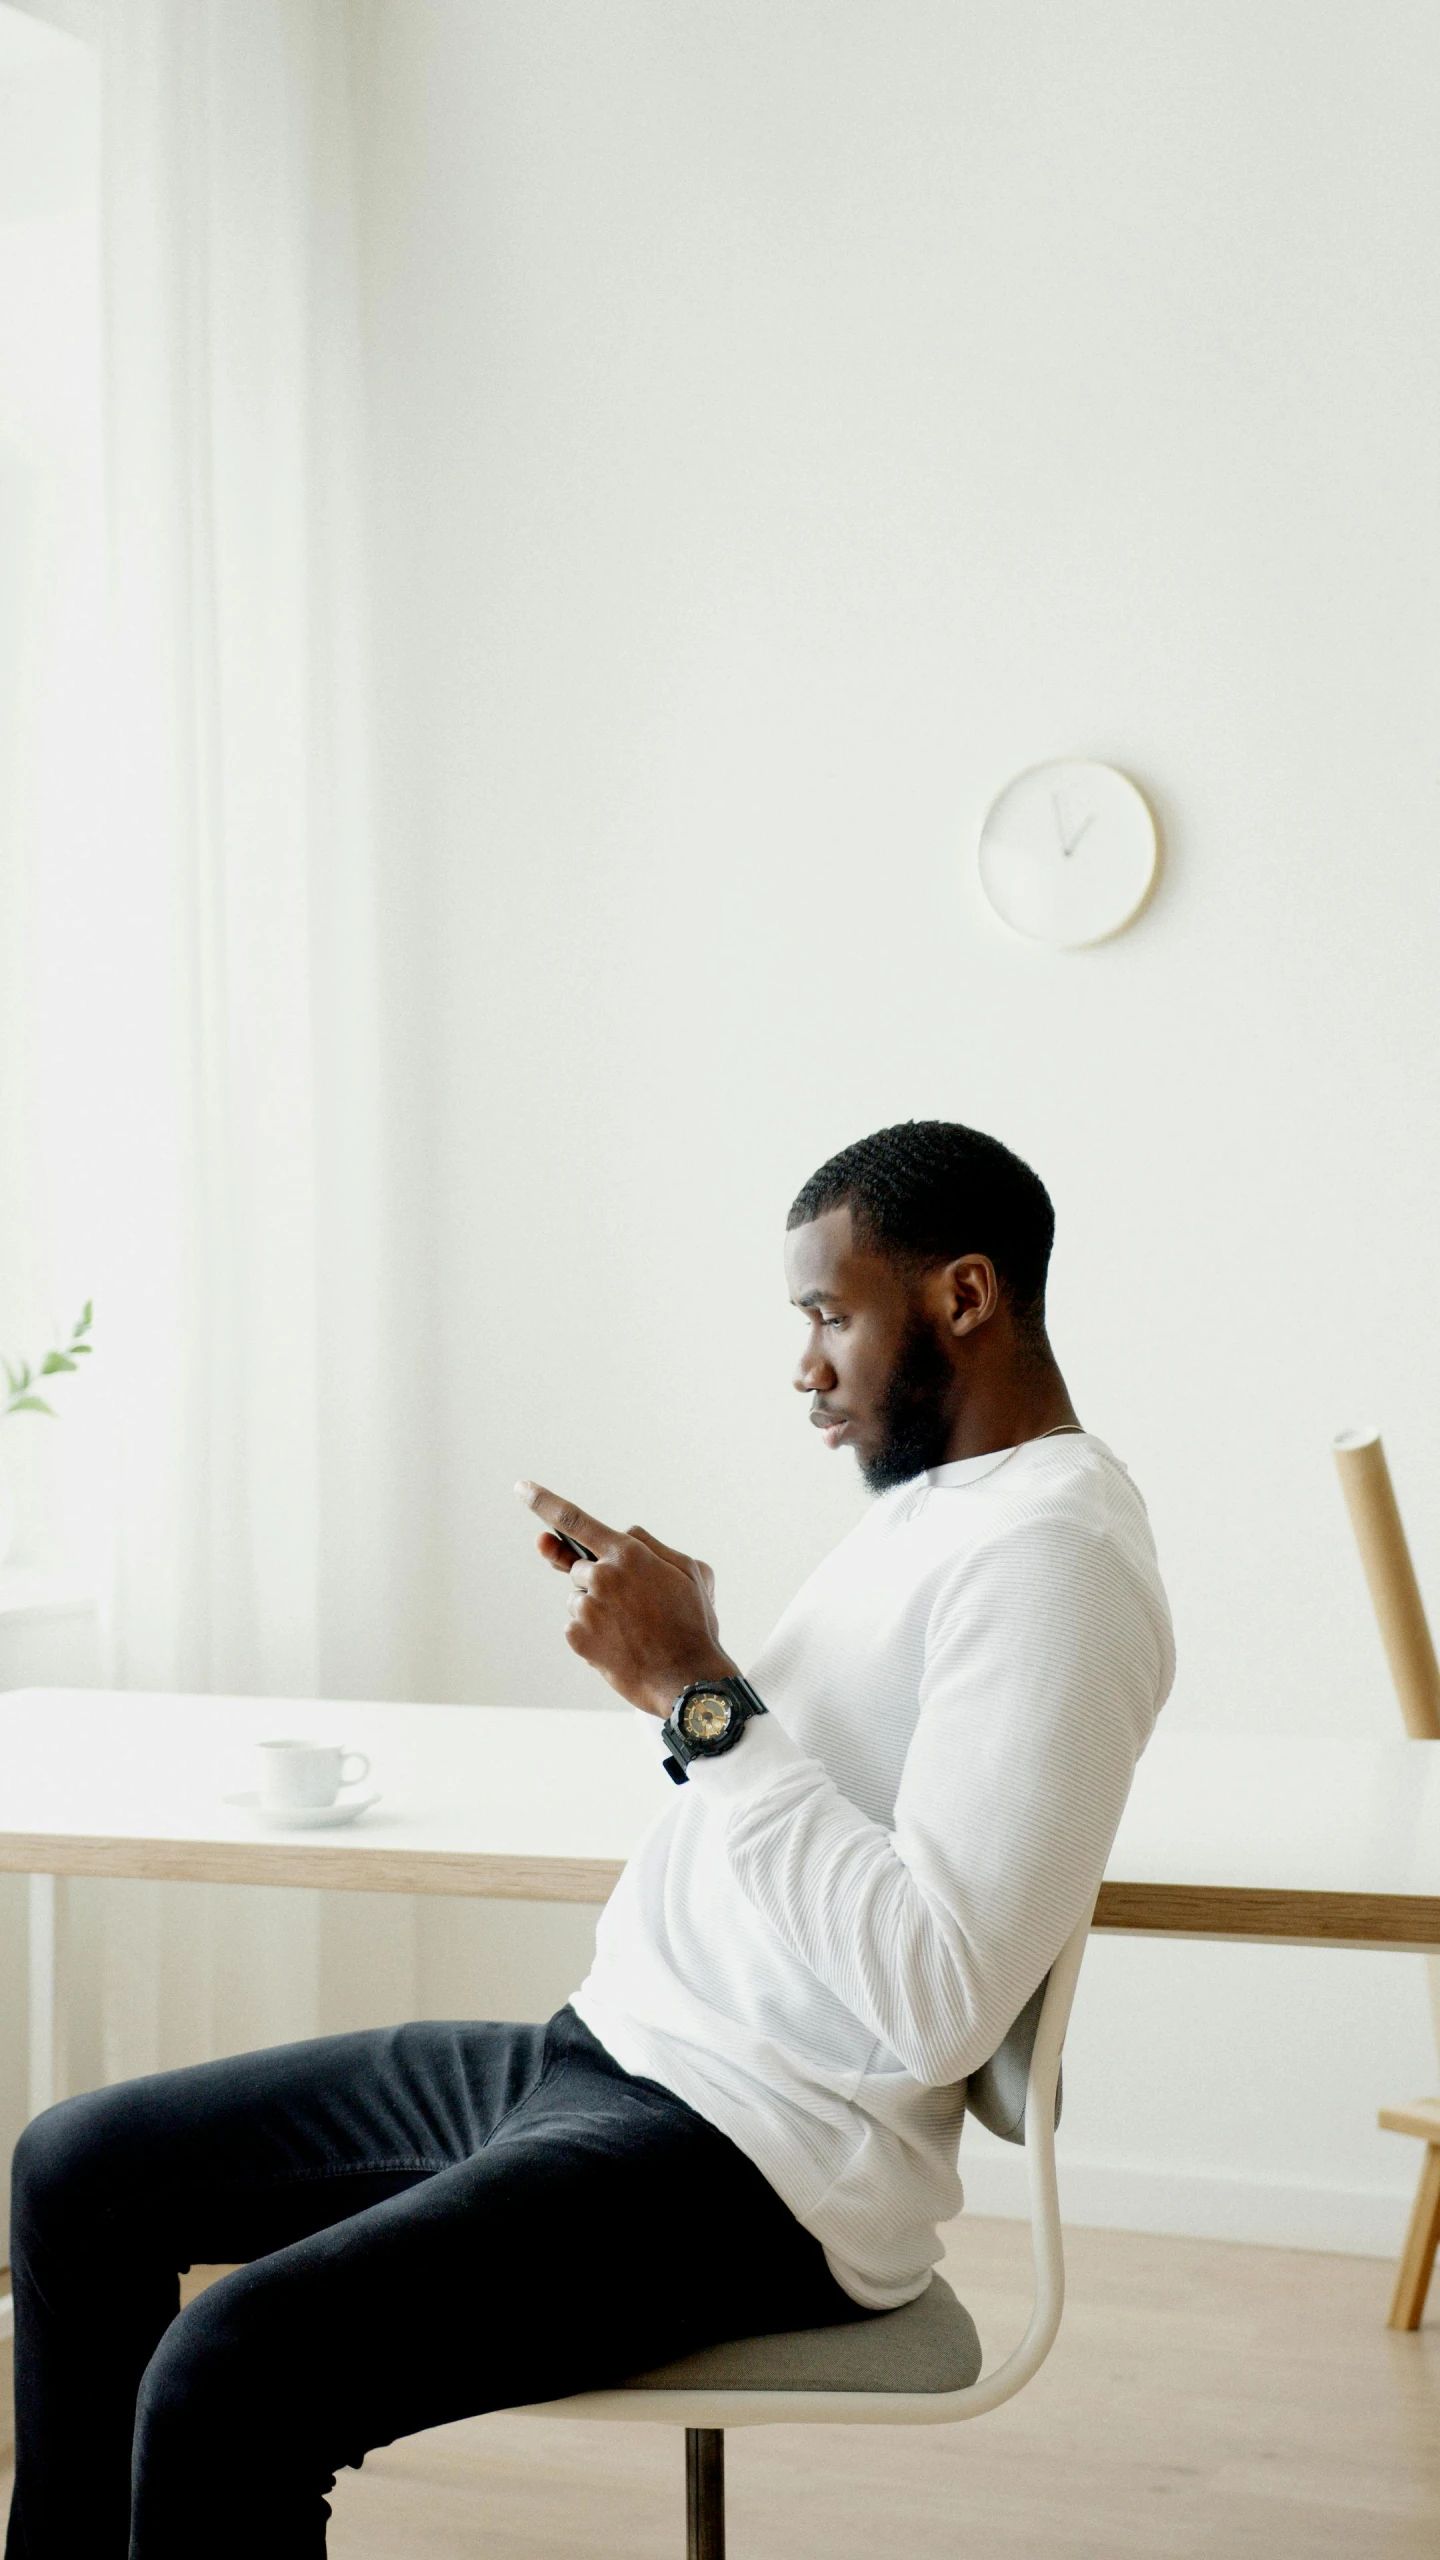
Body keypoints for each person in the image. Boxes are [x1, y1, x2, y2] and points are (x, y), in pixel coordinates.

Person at [5, 1120, 1173, 2558]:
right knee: (75, 2172)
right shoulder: (939, 1510)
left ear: (967, 1297)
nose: (804, 1366)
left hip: (755, 2165)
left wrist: (696, 1691)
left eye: (829, 1313)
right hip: (607, 2058)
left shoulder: (1058, 1561)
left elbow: (936, 2002)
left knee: (229, 2374)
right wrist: (673, 1666)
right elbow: (768, 1790)